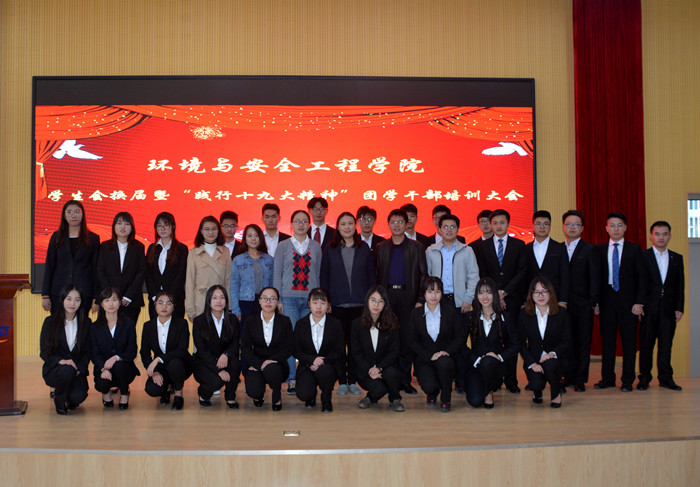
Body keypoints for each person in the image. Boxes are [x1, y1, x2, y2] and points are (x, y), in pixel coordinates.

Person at [320, 211, 376, 395]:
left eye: (350, 223)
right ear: (337, 227)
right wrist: (326, 301)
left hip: (359, 306)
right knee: (338, 346)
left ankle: (352, 380)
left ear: (355, 225)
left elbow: (371, 276)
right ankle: (341, 381)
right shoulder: (330, 248)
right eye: (343, 224)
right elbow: (324, 276)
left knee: (355, 346)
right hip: (337, 305)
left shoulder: (363, 248)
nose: (347, 227)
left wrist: (370, 302)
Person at [374, 208, 428, 394]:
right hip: (387, 297)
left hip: (408, 297)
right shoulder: (381, 247)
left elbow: (423, 275)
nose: (396, 225)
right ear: (388, 224)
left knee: (406, 340)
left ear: (407, 224)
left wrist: (420, 299)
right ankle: (389, 379)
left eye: (400, 222)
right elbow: (376, 275)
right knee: (388, 339)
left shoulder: (417, 247)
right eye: (393, 222)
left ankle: (405, 380)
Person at [473, 209, 527, 394]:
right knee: (492, 340)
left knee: (512, 340)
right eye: (495, 223)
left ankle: (511, 381)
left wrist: (504, 292)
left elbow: (522, 272)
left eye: (502, 222)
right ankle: (493, 379)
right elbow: (482, 273)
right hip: (489, 301)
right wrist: (495, 294)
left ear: (508, 224)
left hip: (512, 300)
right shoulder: (482, 247)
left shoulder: (519, 245)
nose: (498, 226)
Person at [425, 213, 480, 394]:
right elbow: (426, 278)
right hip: (438, 304)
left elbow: (473, 277)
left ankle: (461, 381)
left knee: (460, 344)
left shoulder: (467, 250)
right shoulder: (431, 251)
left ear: (458, 229)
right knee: (440, 343)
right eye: (445, 227)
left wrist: (468, 299)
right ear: (439, 229)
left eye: (452, 227)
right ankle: (442, 382)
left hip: (460, 304)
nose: (449, 230)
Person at [273, 209, 322, 394]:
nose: (301, 224)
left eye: (304, 221)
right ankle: (292, 378)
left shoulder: (316, 246)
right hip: (288, 300)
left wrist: (319, 300)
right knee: (291, 339)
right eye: (297, 221)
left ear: (309, 224)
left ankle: (306, 376)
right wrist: (278, 299)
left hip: (310, 302)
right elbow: (277, 274)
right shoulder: (283, 246)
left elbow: (318, 274)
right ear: (291, 224)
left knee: (308, 340)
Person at [594, 212, 644, 392]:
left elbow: (641, 279)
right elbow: (596, 279)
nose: (616, 229)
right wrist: (595, 302)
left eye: (619, 225)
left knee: (629, 343)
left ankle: (628, 380)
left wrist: (639, 302)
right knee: (608, 342)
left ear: (625, 228)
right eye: (612, 225)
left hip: (629, 304)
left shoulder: (634, 249)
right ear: (606, 228)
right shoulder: (599, 250)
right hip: (606, 302)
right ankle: (607, 379)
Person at [638, 221, 685, 391]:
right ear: (651, 236)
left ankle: (666, 378)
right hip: (648, 309)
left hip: (668, 309)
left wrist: (679, 307)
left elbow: (680, 285)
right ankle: (644, 378)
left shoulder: (676, 258)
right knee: (646, 345)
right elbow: (638, 283)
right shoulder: (643, 256)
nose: (661, 237)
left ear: (669, 236)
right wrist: (639, 304)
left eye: (665, 234)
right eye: (657, 234)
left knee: (666, 345)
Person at [408, 277, 466, 412]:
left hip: (445, 358)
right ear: (424, 294)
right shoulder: (416, 314)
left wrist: (447, 351)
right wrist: (429, 356)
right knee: (430, 387)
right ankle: (432, 393)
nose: (433, 295)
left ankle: (446, 398)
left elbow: (460, 336)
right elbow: (411, 341)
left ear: (442, 293)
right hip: (424, 359)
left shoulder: (450, 311)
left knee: (444, 363)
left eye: (437, 291)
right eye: (430, 291)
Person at [465, 277, 520, 409]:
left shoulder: (505, 317)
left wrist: (499, 357)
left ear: (495, 294)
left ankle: (489, 391)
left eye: (488, 292)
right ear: (476, 295)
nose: (485, 297)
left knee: (488, 361)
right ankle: (482, 388)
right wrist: (477, 359)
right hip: (476, 365)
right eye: (481, 293)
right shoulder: (470, 317)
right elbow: (460, 345)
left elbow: (516, 344)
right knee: (475, 402)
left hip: (496, 366)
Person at [561, 210, 599, 392]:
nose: (572, 227)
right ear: (563, 227)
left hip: (583, 304)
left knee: (582, 341)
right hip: (562, 305)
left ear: (582, 228)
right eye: (569, 224)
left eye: (576, 224)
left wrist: (593, 302)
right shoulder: (558, 249)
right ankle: (567, 376)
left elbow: (595, 278)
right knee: (565, 341)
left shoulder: (590, 249)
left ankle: (580, 379)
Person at [519, 276, 571, 408]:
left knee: (551, 365)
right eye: (536, 292)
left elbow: (566, 340)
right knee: (536, 384)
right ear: (531, 294)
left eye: (544, 291)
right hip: (534, 359)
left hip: (555, 358)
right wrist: (531, 363)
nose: (540, 295)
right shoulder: (525, 313)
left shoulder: (561, 313)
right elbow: (521, 343)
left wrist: (552, 354)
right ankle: (537, 392)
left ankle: (556, 393)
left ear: (550, 293)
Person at [40, 284, 91, 415]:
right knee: (67, 369)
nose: (72, 303)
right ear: (62, 299)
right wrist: (61, 361)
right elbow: (44, 351)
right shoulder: (50, 322)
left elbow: (87, 351)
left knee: (78, 397)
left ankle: (67, 395)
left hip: (76, 370)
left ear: (81, 302)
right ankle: (60, 400)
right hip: (56, 369)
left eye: (77, 300)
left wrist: (80, 369)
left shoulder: (86, 322)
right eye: (69, 299)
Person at [351, 285, 404, 412]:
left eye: (380, 301)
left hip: (386, 367)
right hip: (366, 370)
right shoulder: (357, 324)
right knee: (379, 389)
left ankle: (395, 398)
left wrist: (379, 368)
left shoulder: (392, 322)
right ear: (367, 301)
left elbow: (394, 351)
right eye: (373, 300)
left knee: (392, 374)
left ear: (385, 304)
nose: (376, 304)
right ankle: (371, 397)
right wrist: (370, 369)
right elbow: (356, 353)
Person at [42, 200, 100, 314]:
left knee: (82, 324)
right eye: (69, 212)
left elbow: (95, 269)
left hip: (84, 293)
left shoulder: (93, 238)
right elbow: (49, 266)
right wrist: (45, 295)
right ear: (64, 216)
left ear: (82, 214)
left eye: (77, 212)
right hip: (58, 292)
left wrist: (96, 297)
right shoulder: (56, 237)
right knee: (58, 324)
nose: (73, 215)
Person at [241, 287, 293, 411]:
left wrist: (270, 361)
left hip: (278, 364)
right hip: (256, 363)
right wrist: (258, 364)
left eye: (272, 298)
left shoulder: (285, 321)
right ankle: (259, 395)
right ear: (259, 301)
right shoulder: (251, 320)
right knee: (253, 390)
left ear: (277, 301)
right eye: (265, 298)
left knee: (272, 369)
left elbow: (289, 347)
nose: (268, 302)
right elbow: (245, 347)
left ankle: (277, 395)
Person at [293, 288, 344, 412]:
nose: (319, 307)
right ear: (309, 304)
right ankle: (311, 396)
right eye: (315, 303)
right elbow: (296, 350)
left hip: (328, 365)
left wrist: (322, 361)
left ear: (328, 305)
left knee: (325, 372)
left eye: (323, 303)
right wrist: (312, 360)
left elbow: (339, 350)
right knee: (303, 394)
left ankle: (326, 399)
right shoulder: (300, 324)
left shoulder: (336, 324)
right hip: (307, 366)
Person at [140, 290, 193, 410]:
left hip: (180, 365)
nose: (164, 306)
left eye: (168, 303)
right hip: (161, 368)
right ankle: (167, 389)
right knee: (152, 389)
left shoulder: (182, 324)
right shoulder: (148, 326)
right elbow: (144, 352)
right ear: (154, 305)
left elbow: (182, 350)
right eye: (160, 303)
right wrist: (154, 372)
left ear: (174, 307)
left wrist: (158, 359)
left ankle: (178, 394)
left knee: (175, 363)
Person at [192, 285, 242, 408]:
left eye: (222, 297)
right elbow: (202, 350)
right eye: (215, 298)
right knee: (217, 381)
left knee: (235, 363)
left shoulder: (232, 319)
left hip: (225, 359)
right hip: (205, 362)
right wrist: (218, 370)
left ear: (226, 300)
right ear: (209, 300)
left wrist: (226, 354)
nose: (219, 301)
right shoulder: (199, 321)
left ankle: (230, 397)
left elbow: (235, 344)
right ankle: (203, 394)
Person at [91, 287, 140, 410]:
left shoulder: (128, 324)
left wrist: (117, 357)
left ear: (120, 302)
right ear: (101, 304)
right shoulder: (94, 327)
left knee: (118, 366)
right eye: (107, 300)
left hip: (124, 369)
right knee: (102, 383)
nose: (111, 304)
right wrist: (103, 368)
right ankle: (106, 392)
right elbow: (94, 353)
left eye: (114, 300)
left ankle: (124, 393)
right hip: (103, 369)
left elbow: (132, 351)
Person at [96, 212, 146, 323]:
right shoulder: (105, 246)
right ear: (114, 227)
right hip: (108, 301)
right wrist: (111, 296)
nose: (123, 227)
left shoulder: (139, 247)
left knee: (128, 331)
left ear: (132, 228)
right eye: (119, 223)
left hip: (130, 301)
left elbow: (141, 272)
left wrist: (128, 296)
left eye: (127, 224)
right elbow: (100, 271)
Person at [185, 216, 232, 322]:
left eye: (213, 229)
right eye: (207, 229)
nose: (210, 232)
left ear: (218, 230)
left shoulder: (225, 251)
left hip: (220, 302)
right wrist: (190, 309)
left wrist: (229, 307)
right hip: (201, 302)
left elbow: (229, 281)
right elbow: (190, 283)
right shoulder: (193, 252)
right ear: (201, 231)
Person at [145, 212, 189, 319]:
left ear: (173, 226)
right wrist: (155, 297)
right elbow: (148, 274)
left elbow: (181, 275)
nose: (163, 228)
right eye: (159, 226)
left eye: (166, 225)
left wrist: (169, 299)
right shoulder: (152, 248)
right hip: (155, 301)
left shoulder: (181, 249)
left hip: (175, 301)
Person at [230, 224, 274, 325]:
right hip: (245, 303)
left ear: (261, 238)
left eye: (256, 235)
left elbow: (273, 284)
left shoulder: (270, 260)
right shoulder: (238, 260)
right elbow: (234, 287)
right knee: (246, 333)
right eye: (249, 236)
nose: (253, 239)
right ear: (245, 239)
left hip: (265, 302)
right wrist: (235, 309)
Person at [524, 210, 569, 307]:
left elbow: (564, 275)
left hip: (554, 298)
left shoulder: (560, 248)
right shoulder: (525, 249)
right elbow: (523, 276)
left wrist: (563, 300)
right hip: (531, 299)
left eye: (546, 224)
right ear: (533, 226)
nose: (542, 227)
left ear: (550, 226)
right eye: (538, 224)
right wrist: (523, 300)